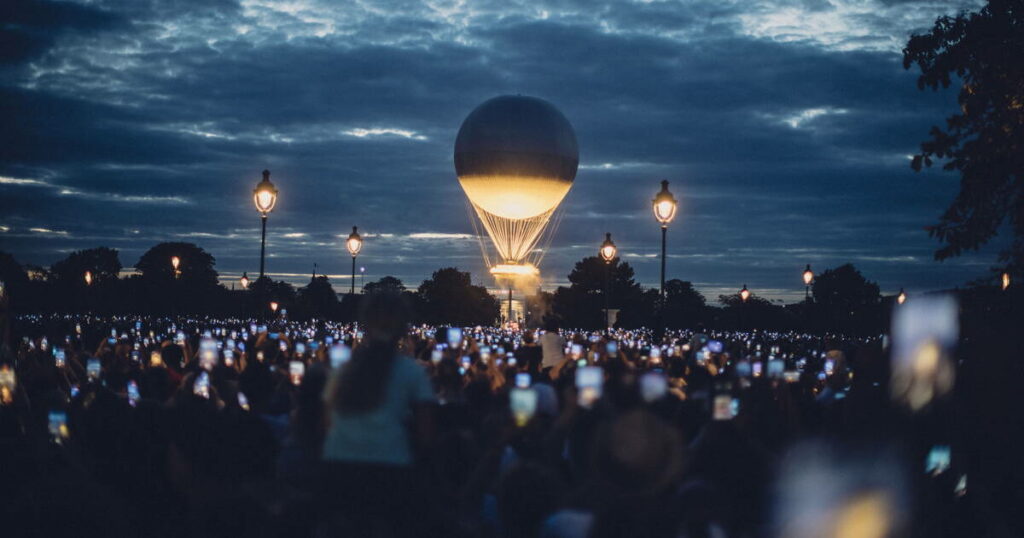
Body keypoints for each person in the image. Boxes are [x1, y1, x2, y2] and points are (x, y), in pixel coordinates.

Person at [319, 291, 438, 536]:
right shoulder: (411, 371)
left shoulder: (342, 371)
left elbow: (326, 422)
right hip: (389, 469)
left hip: (338, 468)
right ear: (403, 327)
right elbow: (427, 434)